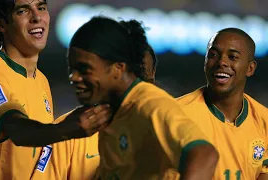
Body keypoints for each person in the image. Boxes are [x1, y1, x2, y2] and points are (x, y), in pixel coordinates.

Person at [0, 0, 111, 179]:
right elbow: (16, 130)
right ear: (1, 24)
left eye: (41, 8)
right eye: (23, 11)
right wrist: (67, 129)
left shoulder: (41, 80)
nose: (37, 17)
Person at [67, 15, 219, 180]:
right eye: (73, 69)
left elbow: (204, 154)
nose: (74, 77)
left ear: (117, 67)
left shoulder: (150, 105)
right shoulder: (114, 112)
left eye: (85, 69)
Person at [33, 21, 160, 180]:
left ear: (152, 80)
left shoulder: (165, 127)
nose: (132, 89)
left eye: (141, 80)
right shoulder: (69, 132)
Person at [177, 28, 268, 179]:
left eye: (232, 57)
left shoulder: (264, 121)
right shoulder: (177, 114)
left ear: (250, 68)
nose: (221, 62)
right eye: (213, 55)